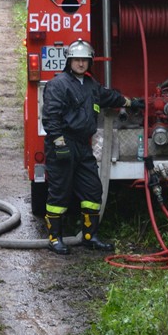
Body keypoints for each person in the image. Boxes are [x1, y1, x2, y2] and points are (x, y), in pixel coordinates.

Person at [41, 39, 143, 255]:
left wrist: (129, 102)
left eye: (84, 60)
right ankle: (54, 238)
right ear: (69, 61)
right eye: (77, 60)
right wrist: (59, 144)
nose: (80, 64)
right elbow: (50, 118)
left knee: (92, 190)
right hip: (63, 144)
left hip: (83, 147)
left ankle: (89, 236)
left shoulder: (90, 86)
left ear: (89, 63)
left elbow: (109, 96)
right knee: (59, 194)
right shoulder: (58, 85)